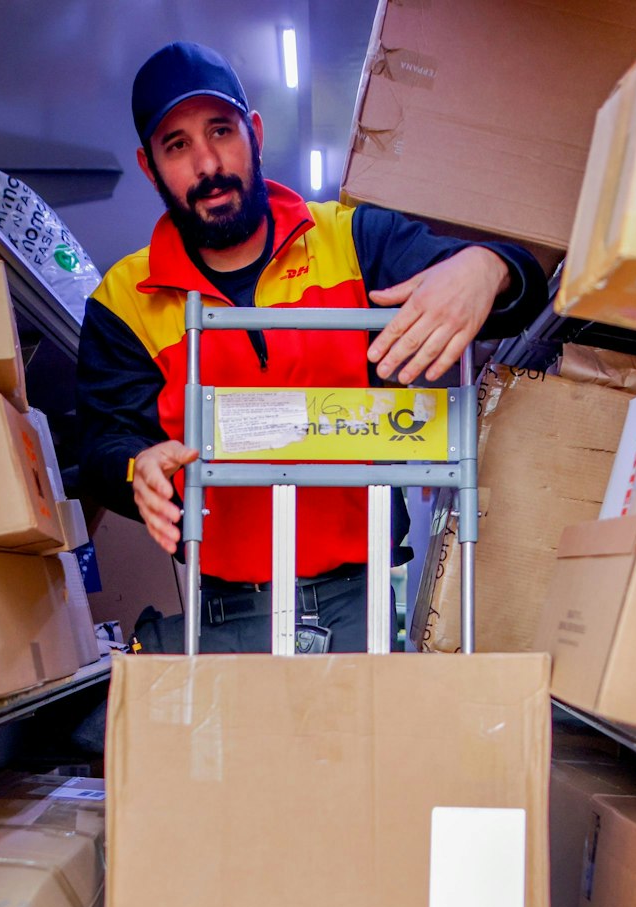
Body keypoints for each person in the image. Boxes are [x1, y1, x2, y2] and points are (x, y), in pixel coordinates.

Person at [77, 41, 546, 653]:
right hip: (222, 616)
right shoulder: (124, 298)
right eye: (178, 145)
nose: (207, 163)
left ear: (256, 132)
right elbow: (101, 445)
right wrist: (136, 469)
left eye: (221, 130)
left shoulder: (352, 240)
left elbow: (523, 287)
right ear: (149, 167)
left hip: (364, 601)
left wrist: (486, 268)